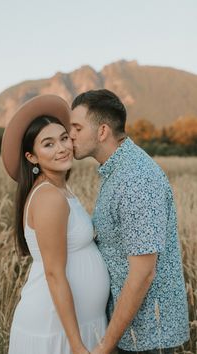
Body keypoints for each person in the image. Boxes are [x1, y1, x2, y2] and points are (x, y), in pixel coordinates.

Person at [70, 89, 190, 354]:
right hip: (130, 332)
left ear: (102, 132)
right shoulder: (117, 170)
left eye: (77, 127)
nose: (71, 135)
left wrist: (105, 346)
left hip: (147, 336)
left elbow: (143, 272)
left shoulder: (136, 179)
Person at [1, 94, 110, 354]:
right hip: (56, 328)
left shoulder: (61, 190)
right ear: (32, 157)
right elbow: (54, 274)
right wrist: (76, 344)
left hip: (80, 323)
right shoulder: (49, 197)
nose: (62, 148)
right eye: (48, 144)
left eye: (64, 138)